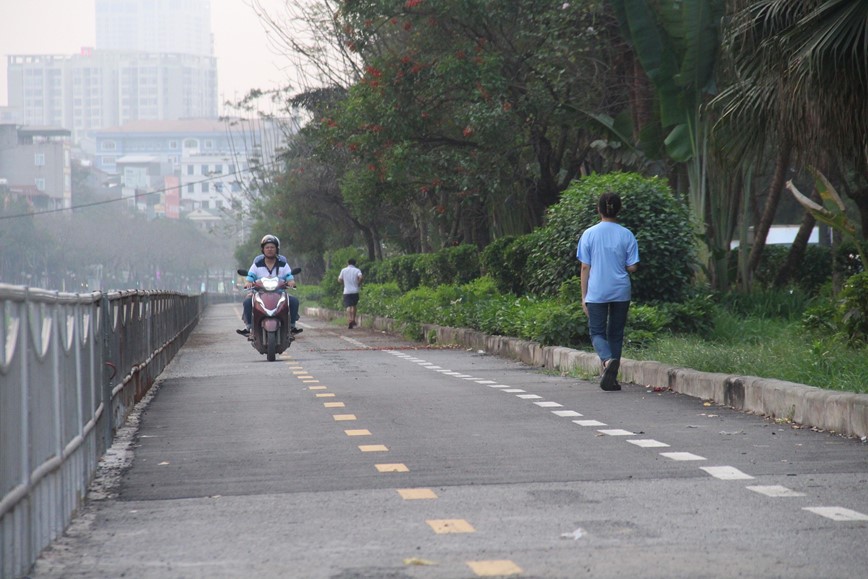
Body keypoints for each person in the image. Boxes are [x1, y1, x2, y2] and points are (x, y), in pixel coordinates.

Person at [576, 192, 640, 391]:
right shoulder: (626, 234)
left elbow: (585, 267)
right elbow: (633, 267)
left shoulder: (589, 234)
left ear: (599, 210)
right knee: (616, 333)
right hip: (621, 290)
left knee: (597, 332)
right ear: (619, 210)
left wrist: (583, 296)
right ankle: (611, 378)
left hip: (597, 292)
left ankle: (606, 362)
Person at [237, 234, 302, 337]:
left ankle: (292, 326)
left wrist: (291, 282)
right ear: (263, 249)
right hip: (259, 293)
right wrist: (248, 283)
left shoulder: (283, 263)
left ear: (277, 249)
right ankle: (249, 327)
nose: (270, 249)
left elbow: (289, 276)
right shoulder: (257, 264)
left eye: (272, 247)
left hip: (279, 293)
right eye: (267, 247)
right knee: (247, 302)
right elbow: (250, 276)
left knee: (294, 301)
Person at [338, 258, 364, 329]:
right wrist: (358, 283)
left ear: (348, 263)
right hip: (355, 291)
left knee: (348, 306)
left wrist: (344, 283)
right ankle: (353, 319)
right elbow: (361, 277)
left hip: (347, 291)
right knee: (354, 305)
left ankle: (349, 319)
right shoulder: (357, 270)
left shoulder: (343, 270)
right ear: (355, 263)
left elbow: (339, 279)